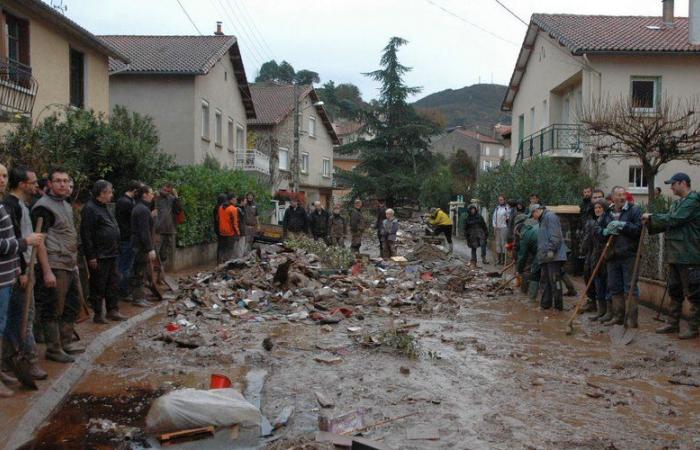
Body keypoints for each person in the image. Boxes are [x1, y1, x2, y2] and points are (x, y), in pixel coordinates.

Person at [0, 164, 44, 397]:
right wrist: (23, 261)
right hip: (9, 275)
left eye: (4, 175)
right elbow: (8, 243)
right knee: (12, 322)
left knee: (13, 320)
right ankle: (12, 364)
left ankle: (6, 368)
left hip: (14, 272)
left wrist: (22, 267)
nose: (2, 180)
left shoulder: (11, 206)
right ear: (22, 184)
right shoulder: (9, 206)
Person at [31, 168, 83, 363]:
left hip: (69, 263)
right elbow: (40, 241)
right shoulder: (43, 208)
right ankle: (53, 348)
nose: (63, 184)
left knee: (72, 305)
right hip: (54, 264)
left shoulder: (65, 204)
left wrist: (75, 263)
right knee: (53, 308)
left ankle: (66, 342)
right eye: (58, 181)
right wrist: (46, 271)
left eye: (65, 180)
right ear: (50, 184)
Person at [644, 173, 700, 339]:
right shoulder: (678, 203)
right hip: (675, 254)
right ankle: (672, 323)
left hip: (690, 254)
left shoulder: (693, 201)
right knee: (675, 290)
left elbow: (674, 220)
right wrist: (651, 222)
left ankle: (693, 327)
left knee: (694, 293)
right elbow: (668, 222)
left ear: (683, 183)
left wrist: (652, 218)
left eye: (673, 184)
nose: (671, 187)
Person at [80, 180, 126, 324]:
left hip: (111, 252)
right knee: (98, 285)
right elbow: (86, 234)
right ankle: (98, 313)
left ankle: (113, 310)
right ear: (102, 193)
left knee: (113, 282)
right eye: (110, 192)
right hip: (99, 255)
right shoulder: (90, 208)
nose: (112, 195)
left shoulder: (105, 207)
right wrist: (91, 256)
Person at [600, 186, 642, 327]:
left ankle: (631, 320)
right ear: (612, 197)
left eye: (623, 194)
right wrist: (604, 231)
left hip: (629, 254)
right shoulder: (608, 212)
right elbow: (599, 229)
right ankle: (618, 316)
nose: (622, 197)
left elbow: (638, 230)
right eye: (618, 195)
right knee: (614, 286)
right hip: (612, 255)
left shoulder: (634, 210)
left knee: (629, 287)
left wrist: (622, 225)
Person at [532, 204, 567, 311]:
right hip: (545, 257)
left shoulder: (550, 217)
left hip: (553, 257)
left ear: (537, 211)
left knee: (555, 281)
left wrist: (551, 250)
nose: (533, 217)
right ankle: (545, 305)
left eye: (532, 214)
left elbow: (555, 236)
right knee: (545, 281)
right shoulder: (542, 220)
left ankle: (558, 307)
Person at [129, 185, 157, 308]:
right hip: (139, 247)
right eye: (150, 193)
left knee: (141, 272)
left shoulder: (141, 208)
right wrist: (150, 248)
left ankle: (140, 297)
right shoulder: (142, 210)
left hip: (138, 246)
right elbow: (144, 231)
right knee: (139, 272)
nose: (152, 195)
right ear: (144, 194)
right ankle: (137, 298)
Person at [584, 198, 611, 322]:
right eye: (596, 208)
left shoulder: (608, 220)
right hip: (596, 255)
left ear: (604, 208)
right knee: (598, 284)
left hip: (605, 257)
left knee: (606, 285)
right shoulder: (595, 221)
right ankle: (601, 311)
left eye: (600, 208)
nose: (597, 210)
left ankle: (609, 312)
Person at [115, 181, 141, 299]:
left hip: (126, 238)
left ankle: (123, 290)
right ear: (135, 190)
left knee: (125, 266)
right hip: (126, 238)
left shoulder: (127, 201)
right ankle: (123, 292)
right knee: (125, 266)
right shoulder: (125, 202)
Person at [154, 183, 182, 267]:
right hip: (158, 229)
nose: (166, 192)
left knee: (165, 252)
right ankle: (155, 270)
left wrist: (176, 197)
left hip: (170, 229)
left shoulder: (172, 199)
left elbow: (178, 210)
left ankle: (163, 269)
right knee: (156, 250)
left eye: (168, 191)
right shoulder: (156, 197)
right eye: (164, 190)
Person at [517, 211, 541, 302]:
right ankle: (570, 290)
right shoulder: (534, 225)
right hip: (560, 251)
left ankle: (531, 300)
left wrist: (519, 270)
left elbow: (522, 256)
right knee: (557, 273)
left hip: (542, 252)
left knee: (534, 273)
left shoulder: (525, 234)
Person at [217, 194, 240, 263]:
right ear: (231, 199)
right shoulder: (233, 209)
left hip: (221, 231)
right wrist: (238, 233)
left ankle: (219, 262)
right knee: (229, 249)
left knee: (222, 248)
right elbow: (235, 223)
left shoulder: (220, 207)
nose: (236, 201)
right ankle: (226, 263)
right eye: (235, 199)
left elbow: (218, 219)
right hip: (230, 232)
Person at [492, 195, 510, 265]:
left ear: (504, 200)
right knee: (498, 243)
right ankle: (499, 260)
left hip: (504, 227)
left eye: (502, 199)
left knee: (503, 243)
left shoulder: (507, 208)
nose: (500, 201)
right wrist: (494, 226)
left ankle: (503, 260)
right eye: (499, 200)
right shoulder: (497, 208)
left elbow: (508, 218)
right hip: (497, 228)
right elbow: (494, 218)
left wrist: (507, 220)